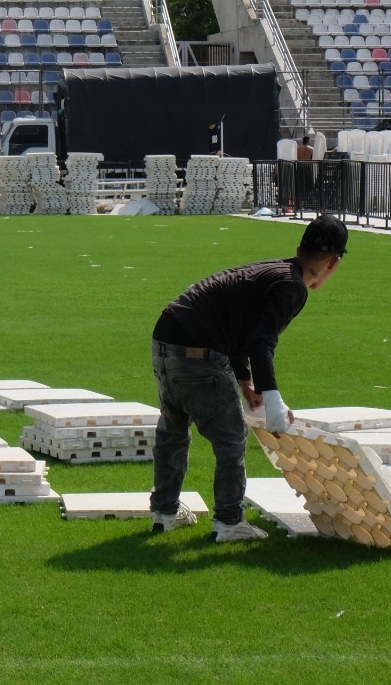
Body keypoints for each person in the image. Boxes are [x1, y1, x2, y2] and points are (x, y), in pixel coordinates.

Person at [149, 213, 348, 543]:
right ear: (333, 263)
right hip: (198, 349)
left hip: (165, 339)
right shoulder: (292, 287)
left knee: (173, 429)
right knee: (231, 438)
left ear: (299, 248)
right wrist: (273, 401)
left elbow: (238, 328)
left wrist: (245, 383)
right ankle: (229, 523)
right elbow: (261, 341)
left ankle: (165, 512)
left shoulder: (273, 271)